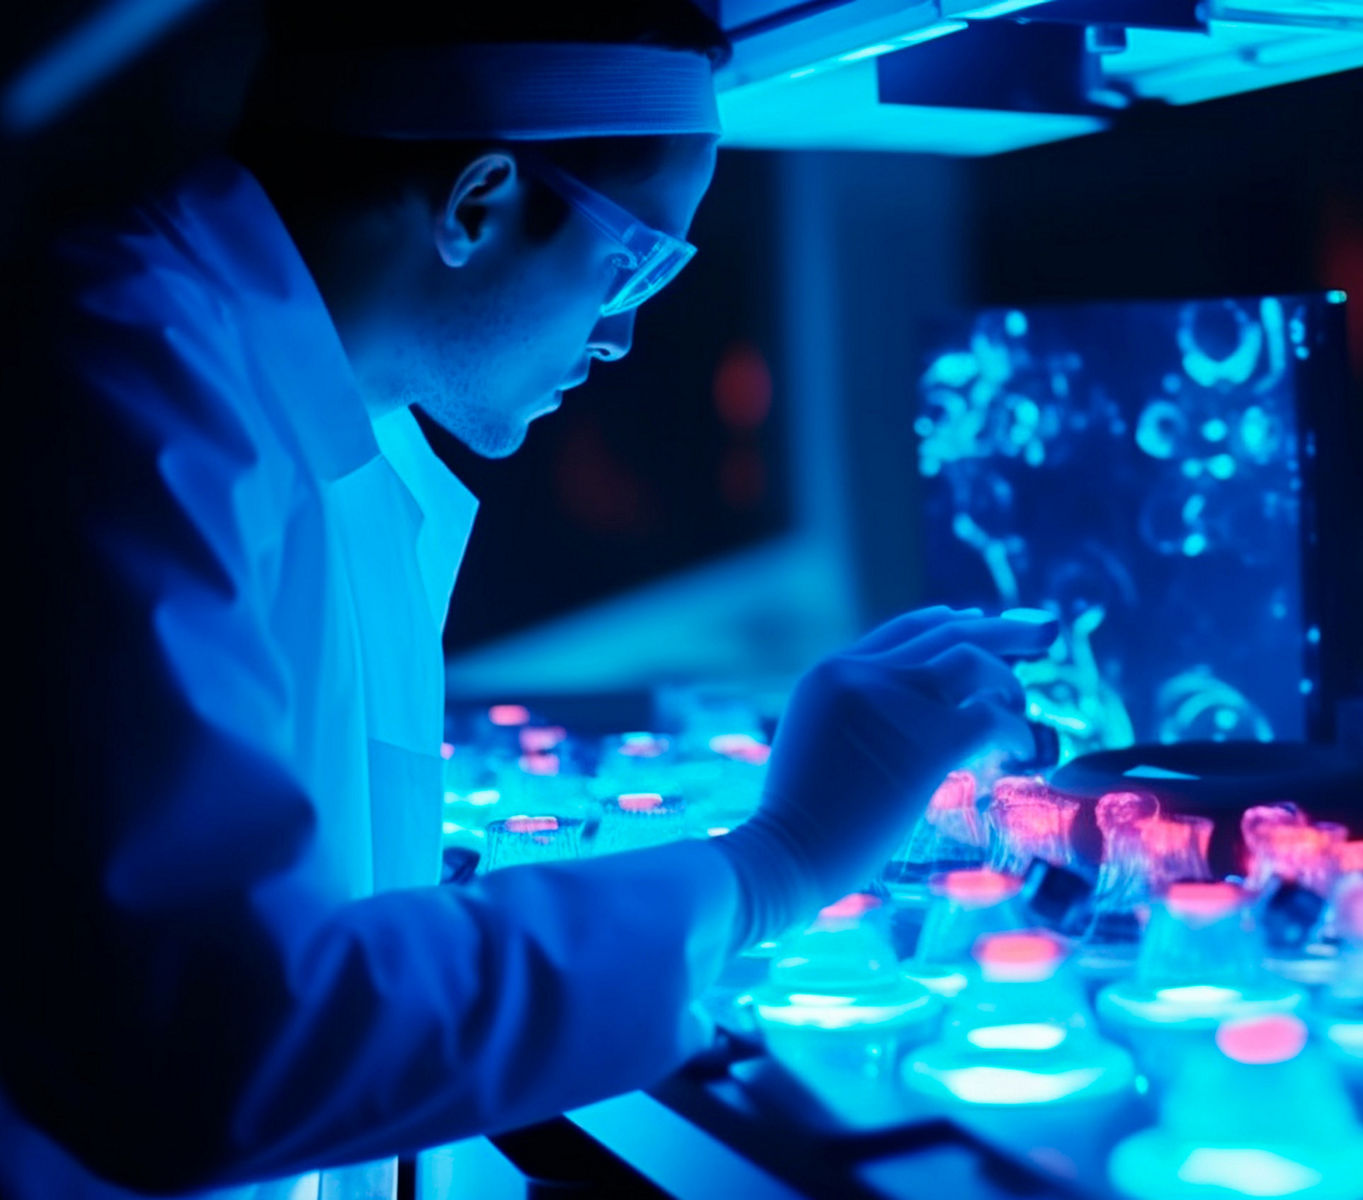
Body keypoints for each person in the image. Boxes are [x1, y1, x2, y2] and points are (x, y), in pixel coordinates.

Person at [0, 4, 1053, 1197]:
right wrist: (778, 861)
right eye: (634, 260)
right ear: (477, 203)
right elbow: (211, 1047)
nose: (626, 335)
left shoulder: (303, 405)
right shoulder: (117, 389)